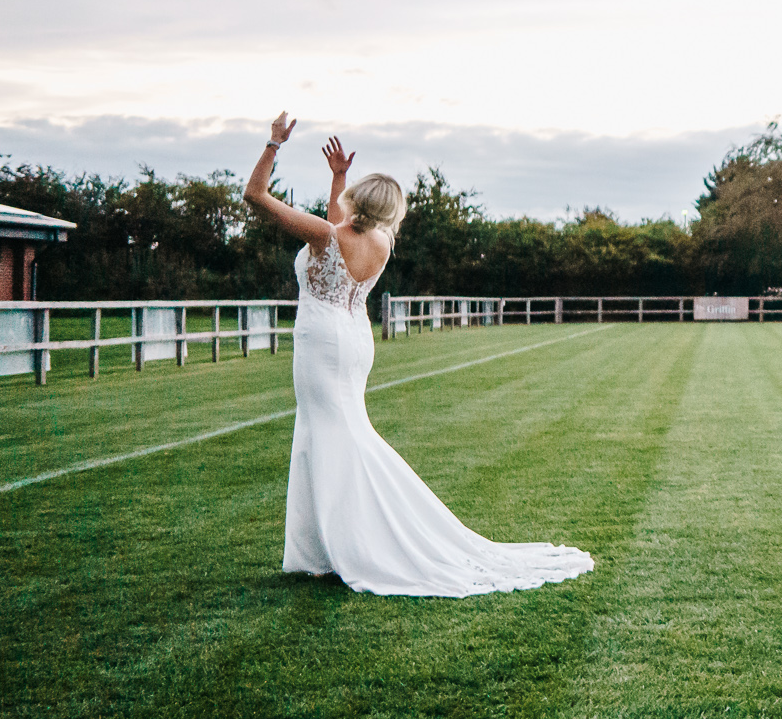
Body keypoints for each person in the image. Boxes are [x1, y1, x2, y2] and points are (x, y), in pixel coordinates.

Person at [242, 112, 594, 597]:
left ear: (357, 202)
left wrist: (273, 143)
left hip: (322, 340)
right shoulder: (379, 242)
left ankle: (354, 545)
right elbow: (339, 227)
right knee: (331, 433)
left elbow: (255, 197)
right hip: (353, 338)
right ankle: (322, 550)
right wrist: (338, 177)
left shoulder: (326, 237)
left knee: (331, 436)